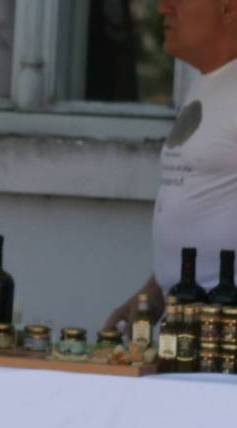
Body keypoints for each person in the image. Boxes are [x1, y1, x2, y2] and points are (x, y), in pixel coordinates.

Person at [105, 0, 237, 328]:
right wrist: (155, 291)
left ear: (228, 8)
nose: (164, 8)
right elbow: (204, 202)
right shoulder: (208, 82)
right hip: (190, 321)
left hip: (221, 332)